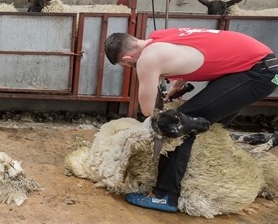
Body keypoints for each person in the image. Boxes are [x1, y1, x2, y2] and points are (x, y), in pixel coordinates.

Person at [104, 28, 278, 212]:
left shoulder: (147, 59)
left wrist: (161, 119)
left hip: (258, 74)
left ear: (127, 59)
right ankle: (208, 180)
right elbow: (197, 48)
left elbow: (149, 110)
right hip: (261, 66)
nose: (132, 68)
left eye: (129, 67)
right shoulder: (159, 36)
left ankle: (165, 196)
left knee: (177, 126)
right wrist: (176, 85)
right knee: (208, 125)